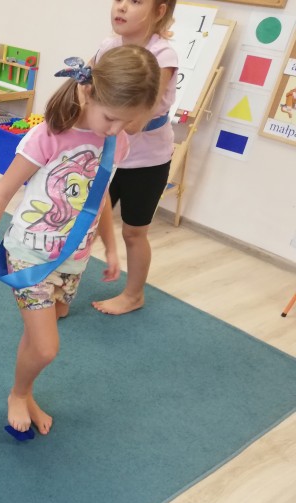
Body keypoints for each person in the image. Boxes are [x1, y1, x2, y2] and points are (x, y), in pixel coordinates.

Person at [0, 47, 161, 435]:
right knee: (46, 347)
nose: (116, 130)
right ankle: (19, 394)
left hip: (72, 259)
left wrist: (110, 246)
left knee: (38, 336)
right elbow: (1, 193)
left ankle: (27, 392)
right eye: (111, 118)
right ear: (88, 93)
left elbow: (99, 196)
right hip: (29, 255)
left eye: (127, 122)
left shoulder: (116, 141)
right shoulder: (49, 136)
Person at [91, 0, 178, 316]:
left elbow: (138, 119)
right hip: (106, 152)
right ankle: (61, 289)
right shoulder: (107, 47)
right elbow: (83, 89)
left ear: (159, 11)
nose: (123, 7)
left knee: (133, 232)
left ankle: (133, 295)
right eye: (120, 0)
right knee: (84, 225)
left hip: (146, 160)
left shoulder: (163, 56)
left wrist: (102, 115)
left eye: (136, 1)